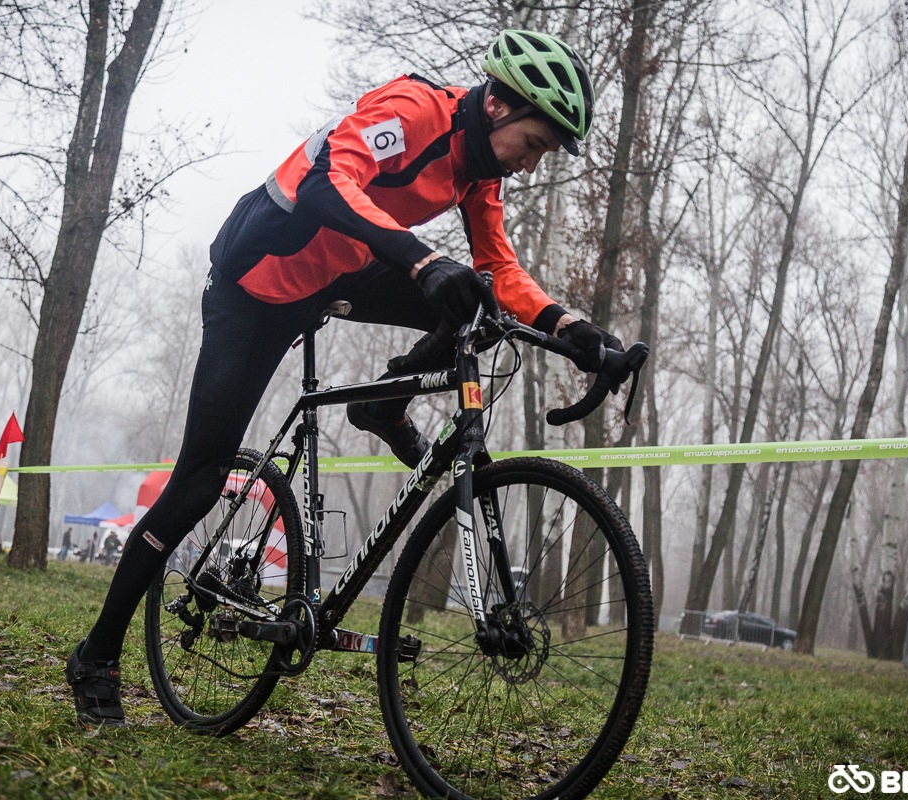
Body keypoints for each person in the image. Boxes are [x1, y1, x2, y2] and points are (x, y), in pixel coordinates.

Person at [66, 29, 622, 727]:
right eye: (534, 143)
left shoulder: (480, 171)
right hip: (256, 285)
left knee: (475, 299)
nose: (532, 164)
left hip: (334, 275)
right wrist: (421, 261)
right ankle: (97, 655)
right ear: (498, 106)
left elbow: (499, 267)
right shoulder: (415, 111)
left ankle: (384, 407)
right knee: (199, 482)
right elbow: (329, 180)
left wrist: (574, 330)